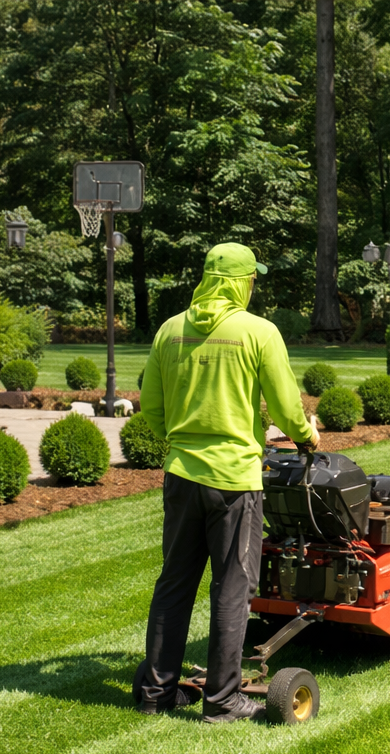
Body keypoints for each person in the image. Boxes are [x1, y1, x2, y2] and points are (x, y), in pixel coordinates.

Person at [134, 242, 320, 722]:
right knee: (232, 589)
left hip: (181, 475)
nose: (253, 287)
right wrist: (306, 435)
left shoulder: (170, 330)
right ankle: (222, 701)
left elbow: (151, 407)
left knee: (174, 583)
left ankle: (156, 693)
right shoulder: (258, 331)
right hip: (235, 480)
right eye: (252, 280)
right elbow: (285, 406)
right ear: (241, 283)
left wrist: (180, 439)